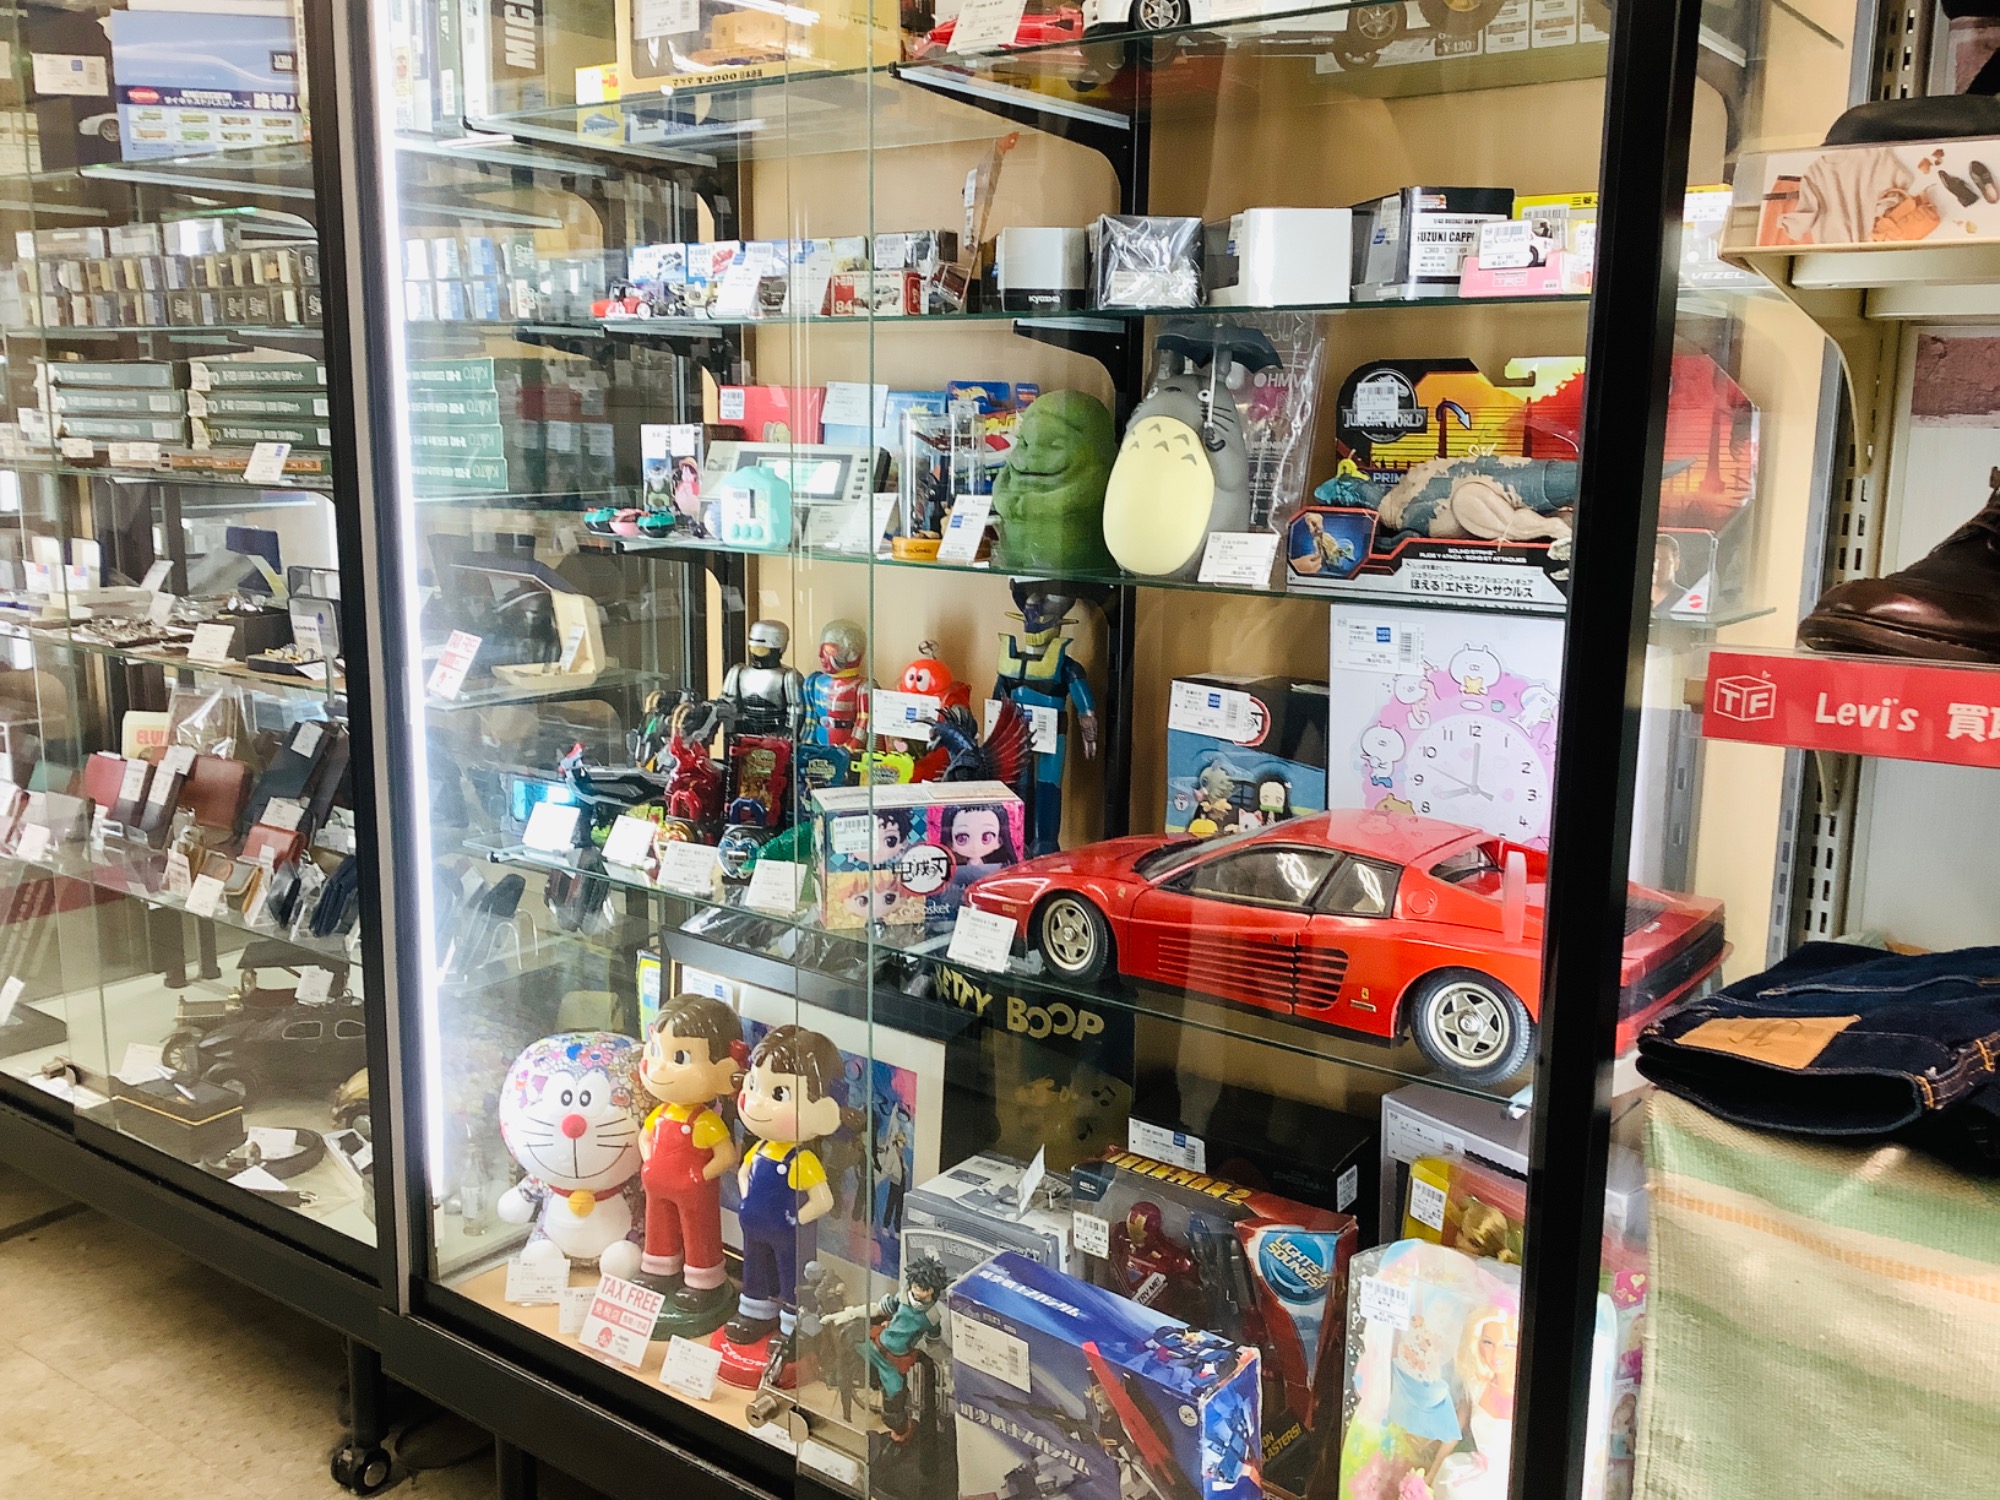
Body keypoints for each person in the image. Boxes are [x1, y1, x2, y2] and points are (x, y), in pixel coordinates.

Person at [635, 995, 746, 1327]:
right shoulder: (661, 1112)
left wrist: (700, 1176)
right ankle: (659, 1270)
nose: (659, 1067)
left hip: (694, 1191)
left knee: (700, 1233)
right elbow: (645, 1137)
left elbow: (726, 1155)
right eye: (656, 1051)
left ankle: (704, 1281)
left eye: (680, 1057)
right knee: (659, 1228)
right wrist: (649, 1162)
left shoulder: (705, 1121)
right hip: (657, 1186)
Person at [863, 1253, 951, 1439]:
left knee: (894, 1409)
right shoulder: (904, 1293)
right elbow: (887, 1306)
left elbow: (934, 1342)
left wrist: (946, 1361)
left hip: (895, 1361)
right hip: (877, 1342)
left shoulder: (931, 1317)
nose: (917, 1290)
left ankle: (902, 1433)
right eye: (915, 1285)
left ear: (932, 1291)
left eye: (923, 1288)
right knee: (848, 1336)